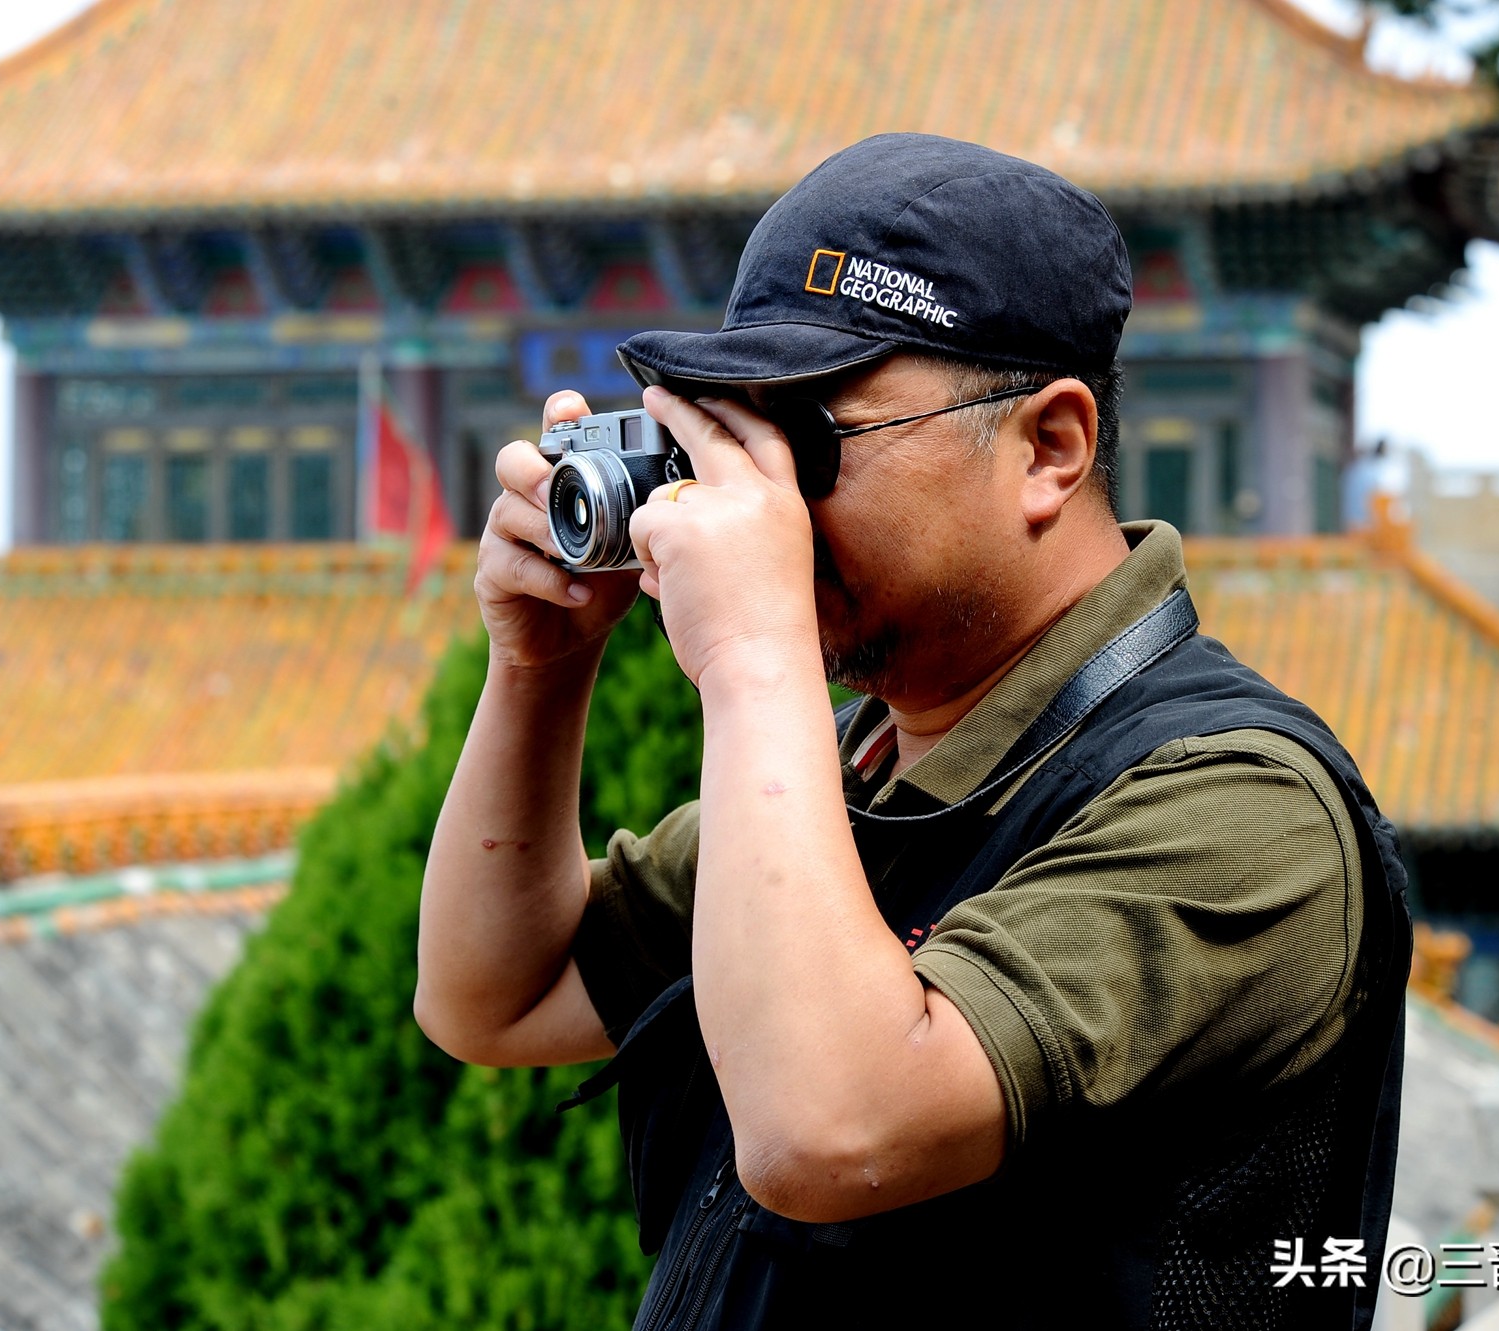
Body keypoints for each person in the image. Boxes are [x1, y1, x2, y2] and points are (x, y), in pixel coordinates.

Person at [416, 133, 1412, 1330]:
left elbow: (828, 1129)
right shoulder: (863, 769)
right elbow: (496, 994)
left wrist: (752, 657)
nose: (761, 496)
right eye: (731, 437)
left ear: (1048, 447)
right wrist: (539, 664)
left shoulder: (1238, 807)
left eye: (809, 439)